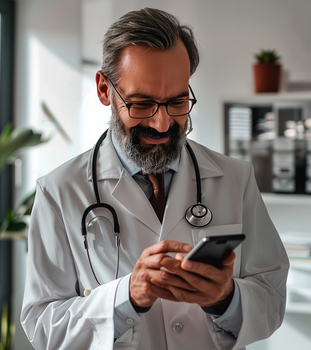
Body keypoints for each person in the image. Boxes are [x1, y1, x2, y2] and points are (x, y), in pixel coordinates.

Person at [21, 7, 289, 350]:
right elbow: (43, 325)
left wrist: (225, 298)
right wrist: (127, 296)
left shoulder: (236, 179)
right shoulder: (59, 192)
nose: (162, 124)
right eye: (142, 104)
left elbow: (272, 294)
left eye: (177, 101)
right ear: (105, 90)